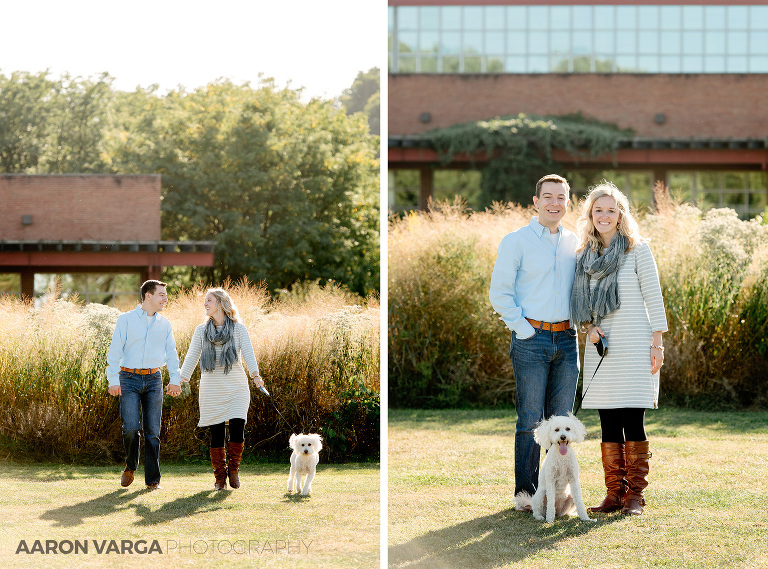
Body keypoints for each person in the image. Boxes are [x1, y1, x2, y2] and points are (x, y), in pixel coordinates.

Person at [570, 181, 667, 516]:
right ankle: (614, 494)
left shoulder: (637, 249)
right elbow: (579, 302)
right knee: (608, 420)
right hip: (602, 345)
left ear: (621, 214)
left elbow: (653, 297)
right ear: (590, 214)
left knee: (632, 419)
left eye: (611, 210)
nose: (605, 215)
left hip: (636, 342)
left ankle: (635, 496)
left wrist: (658, 342)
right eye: (599, 210)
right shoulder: (584, 255)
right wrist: (588, 327)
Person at [489, 174, 580, 503]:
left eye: (561, 198)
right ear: (536, 201)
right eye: (548, 197)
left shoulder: (574, 242)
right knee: (530, 419)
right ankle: (526, 494)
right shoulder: (517, 241)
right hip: (531, 339)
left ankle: (554, 496)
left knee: (562, 423)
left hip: (567, 340)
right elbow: (499, 293)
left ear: (568, 203)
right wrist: (523, 329)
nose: (555, 203)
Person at [178, 287, 265, 490]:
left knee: (237, 426)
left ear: (221, 303)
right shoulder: (201, 330)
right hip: (211, 387)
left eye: (209, 300)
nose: (205, 304)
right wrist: (180, 379)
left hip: (236, 386)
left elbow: (249, 355)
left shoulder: (238, 329)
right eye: (205, 301)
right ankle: (220, 478)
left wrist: (256, 376)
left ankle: (233, 470)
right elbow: (192, 356)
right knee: (216, 432)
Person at [107, 279, 182, 490]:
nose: (165, 299)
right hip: (128, 379)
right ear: (148, 296)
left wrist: (174, 380)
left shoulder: (165, 324)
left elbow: (172, 355)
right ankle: (131, 465)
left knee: (153, 432)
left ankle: (152, 481)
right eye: (161, 295)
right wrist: (113, 380)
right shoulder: (126, 320)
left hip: (153, 379)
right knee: (130, 428)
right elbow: (115, 352)